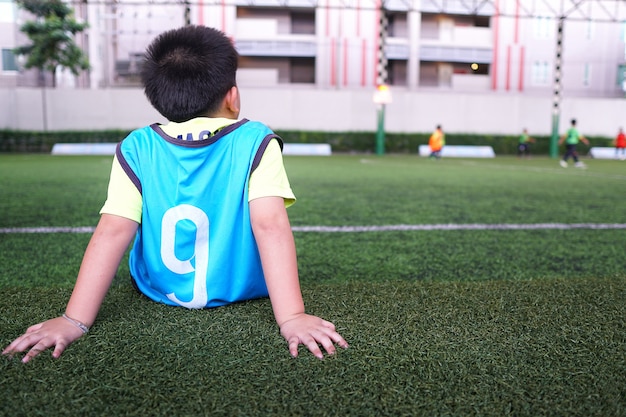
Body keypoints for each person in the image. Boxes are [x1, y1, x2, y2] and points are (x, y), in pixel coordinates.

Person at [2, 25, 348, 363]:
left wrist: (73, 319)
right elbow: (269, 225)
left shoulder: (136, 146)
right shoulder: (255, 140)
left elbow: (113, 232)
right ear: (233, 96)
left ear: (159, 99)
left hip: (158, 288)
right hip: (244, 287)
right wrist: (292, 317)